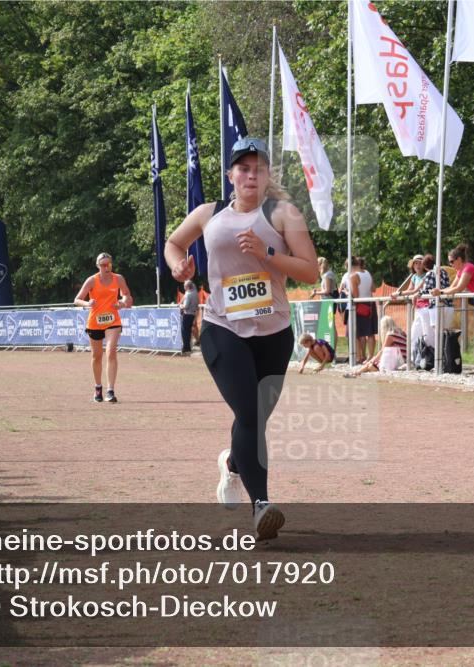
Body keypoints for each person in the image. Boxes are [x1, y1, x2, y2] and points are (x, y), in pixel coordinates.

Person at [164, 136, 318, 541]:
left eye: (259, 169)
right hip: (222, 328)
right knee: (250, 414)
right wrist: (179, 264)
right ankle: (262, 505)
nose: (251, 175)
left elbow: (310, 272)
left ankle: (233, 464)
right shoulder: (208, 214)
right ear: (231, 175)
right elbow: (172, 242)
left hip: (273, 332)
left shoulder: (284, 214)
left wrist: (268, 254)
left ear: (268, 176)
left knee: (255, 419)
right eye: (243, 168)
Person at [74, 252, 132, 403]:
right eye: (103, 265)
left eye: (109, 264)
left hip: (113, 321)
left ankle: (110, 390)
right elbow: (77, 299)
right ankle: (98, 387)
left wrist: (122, 302)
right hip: (95, 322)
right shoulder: (91, 281)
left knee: (111, 352)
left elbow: (126, 295)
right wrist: (88, 304)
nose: (106, 267)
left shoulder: (118, 279)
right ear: (98, 266)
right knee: (96, 357)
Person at [180, 280, 199, 354]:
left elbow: (186, 306)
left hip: (187, 314)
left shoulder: (188, 294)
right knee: (190, 331)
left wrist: (180, 306)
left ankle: (186, 348)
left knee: (185, 332)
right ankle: (190, 346)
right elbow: (192, 284)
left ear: (187, 287)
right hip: (193, 314)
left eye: (184, 285)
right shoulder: (195, 292)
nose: (183, 286)